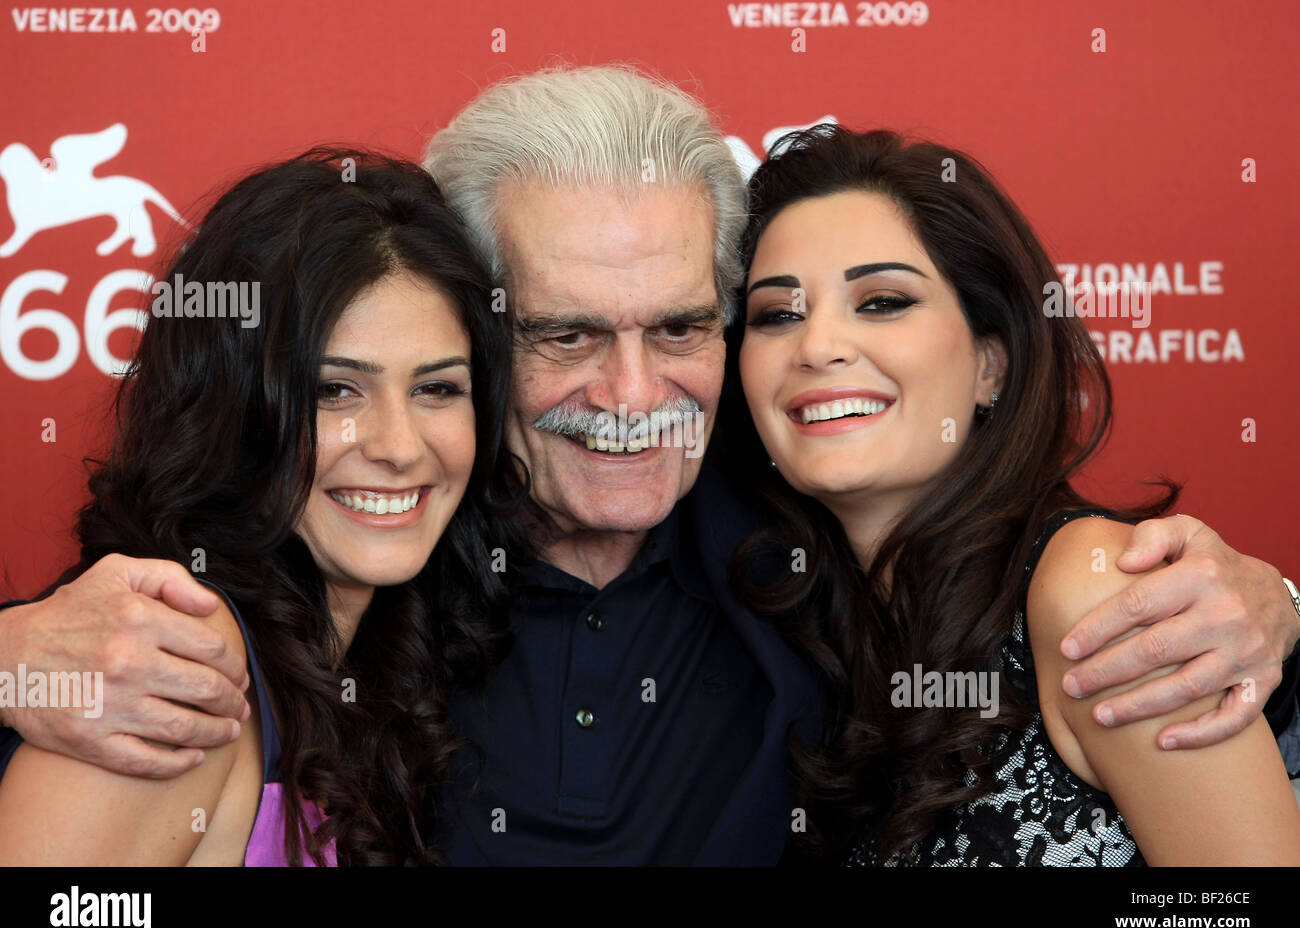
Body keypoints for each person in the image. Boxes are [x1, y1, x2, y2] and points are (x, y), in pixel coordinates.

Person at [2, 67, 1298, 865]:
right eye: (565, 332)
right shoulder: (367, 553)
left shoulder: (814, 509)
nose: (631, 397)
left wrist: (1276, 607)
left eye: (681, 325)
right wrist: (17, 654)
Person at [726, 125, 1300, 865]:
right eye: (777, 314)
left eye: (883, 301)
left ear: (991, 365)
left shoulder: (1093, 592)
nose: (818, 346)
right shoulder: (803, 626)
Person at [0, 149, 517, 865]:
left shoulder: (379, 646)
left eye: (437, 389)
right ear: (234, 409)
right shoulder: (182, 658)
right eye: (335, 390)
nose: (399, 447)